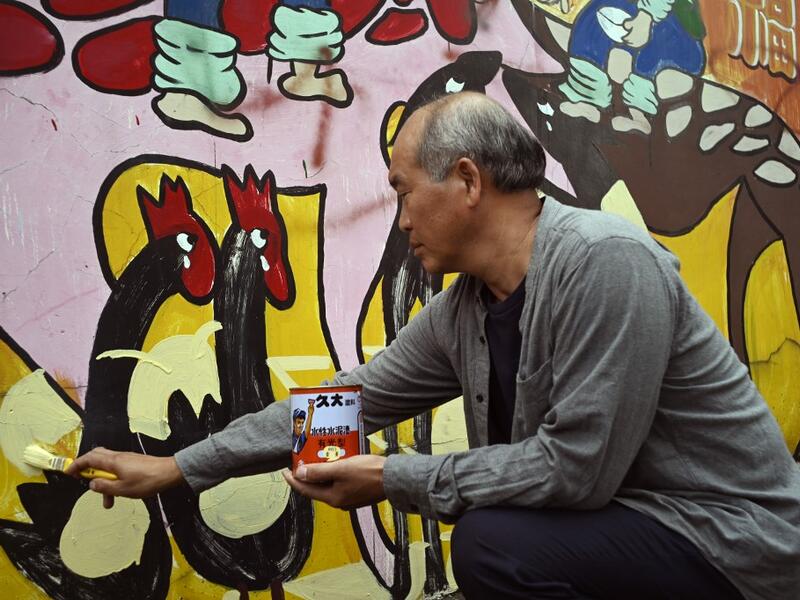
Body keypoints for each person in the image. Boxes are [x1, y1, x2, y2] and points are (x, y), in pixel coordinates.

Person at [69, 92, 800, 599]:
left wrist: (391, 478)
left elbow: (575, 474)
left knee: (493, 547)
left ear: (468, 181)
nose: (400, 218)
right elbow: (343, 406)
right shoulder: (464, 310)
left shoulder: (605, 262)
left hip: (730, 544)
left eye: (403, 189)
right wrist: (176, 467)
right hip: (630, 538)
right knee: (498, 543)